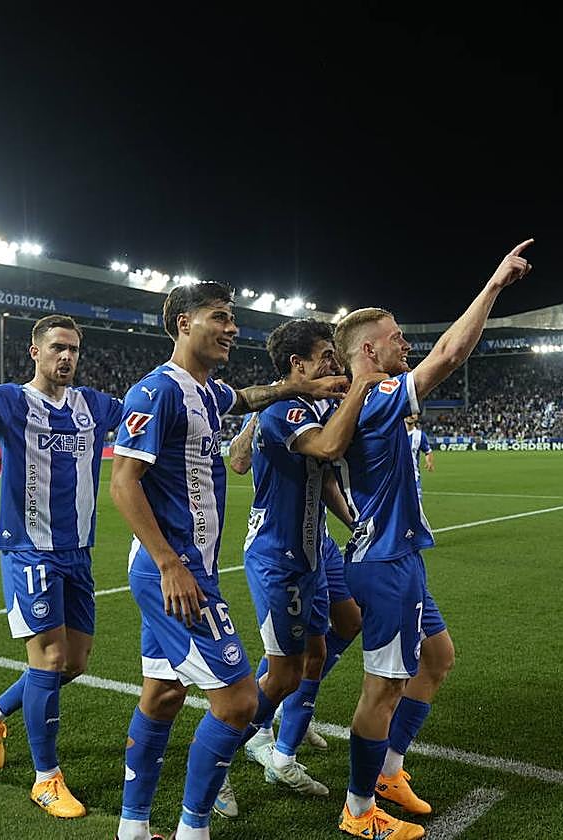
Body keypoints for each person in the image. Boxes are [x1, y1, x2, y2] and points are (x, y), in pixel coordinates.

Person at [110, 282, 346, 840]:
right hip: (175, 571)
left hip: (189, 567)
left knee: (164, 695)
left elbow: (242, 400)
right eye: (220, 317)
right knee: (240, 701)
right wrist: (169, 563)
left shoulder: (207, 392)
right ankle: (194, 830)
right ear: (182, 323)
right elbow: (123, 482)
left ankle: (133, 829)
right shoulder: (156, 392)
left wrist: (294, 385)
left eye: (233, 318)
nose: (233, 328)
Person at [329, 239, 533, 839]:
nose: (405, 344)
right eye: (395, 338)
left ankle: (389, 769)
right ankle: (358, 808)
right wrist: (493, 285)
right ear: (369, 350)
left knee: (437, 659)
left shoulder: (375, 398)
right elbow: (448, 354)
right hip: (383, 561)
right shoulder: (371, 396)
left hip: (403, 556)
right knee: (384, 686)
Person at [0, 282, 124, 818]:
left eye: (73, 350)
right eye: (57, 349)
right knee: (47, 660)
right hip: (29, 550)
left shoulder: (94, 405)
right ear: (36, 352)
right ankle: (46, 779)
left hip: (78, 552)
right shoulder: (10, 401)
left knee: (75, 663)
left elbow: (146, 412)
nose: (66, 357)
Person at [223, 319, 384, 802]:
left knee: (343, 625)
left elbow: (328, 475)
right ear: (299, 365)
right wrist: (360, 386)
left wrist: (356, 523)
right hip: (280, 554)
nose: (334, 364)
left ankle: (289, 736)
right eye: (326, 357)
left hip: (316, 546)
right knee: (288, 669)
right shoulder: (285, 408)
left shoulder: (313, 404)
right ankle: (226, 754)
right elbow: (326, 447)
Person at [404, 414, 434, 499]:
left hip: (414, 476)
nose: (410, 415)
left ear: (417, 416)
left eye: (413, 413)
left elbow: (428, 451)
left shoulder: (420, 435)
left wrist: (429, 462)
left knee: (417, 506)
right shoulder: (395, 434)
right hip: (396, 477)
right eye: (408, 412)